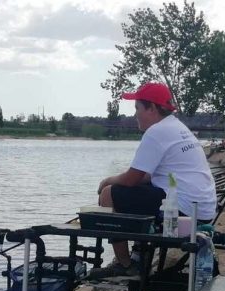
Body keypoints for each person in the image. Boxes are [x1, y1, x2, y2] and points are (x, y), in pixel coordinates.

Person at [91, 82, 217, 279]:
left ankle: (125, 265)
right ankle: (139, 255)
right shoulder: (177, 127)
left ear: (151, 108)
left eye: (137, 108)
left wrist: (107, 180)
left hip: (181, 211)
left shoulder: (156, 132)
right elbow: (148, 176)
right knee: (139, 191)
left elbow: (131, 179)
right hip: (203, 209)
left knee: (109, 194)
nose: (135, 114)